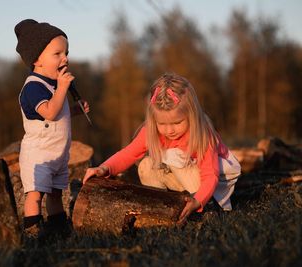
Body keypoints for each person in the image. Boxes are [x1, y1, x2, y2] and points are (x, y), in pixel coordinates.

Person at [83, 72, 240, 224]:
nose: (169, 130)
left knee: (174, 156)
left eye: (177, 123)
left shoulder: (202, 134)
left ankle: (206, 208)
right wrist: (104, 168)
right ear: (153, 120)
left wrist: (198, 200)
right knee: (146, 165)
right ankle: (163, 205)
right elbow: (128, 154)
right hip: (184, 172)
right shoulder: (152, 132)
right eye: (162, 124)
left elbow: (210, 174)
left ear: (191, 115)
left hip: (216, 178)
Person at [14, 19, 89, 236]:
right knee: (35, 194)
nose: (65, 58)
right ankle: (33, 229)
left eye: (66, 52)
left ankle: (57, 227)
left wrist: (75, 110)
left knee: (56, 193)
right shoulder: (33, 87)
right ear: (37, 59)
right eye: (57, 54)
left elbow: (59, 114)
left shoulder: (55, 85)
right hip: (38, 156)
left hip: (57, 153)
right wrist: (63, 88)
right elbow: (49, 112)